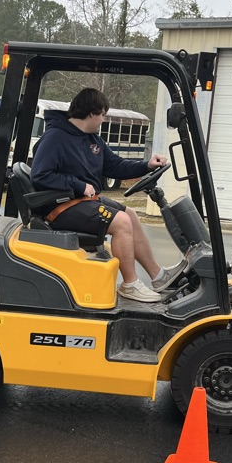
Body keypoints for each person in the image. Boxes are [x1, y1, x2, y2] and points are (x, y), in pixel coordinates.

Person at [30, 87, 184, 303]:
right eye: (102, 114)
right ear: (91, 112)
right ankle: (130, 283)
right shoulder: (55, 137)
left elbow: (115, 166)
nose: (103, 119)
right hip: (61, 206)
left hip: (82, 202)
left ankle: (158, 276)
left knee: (130, 215)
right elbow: (40, 175)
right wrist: (78, 185)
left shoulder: (92, 140)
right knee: (120, 222)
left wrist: (146, 166)